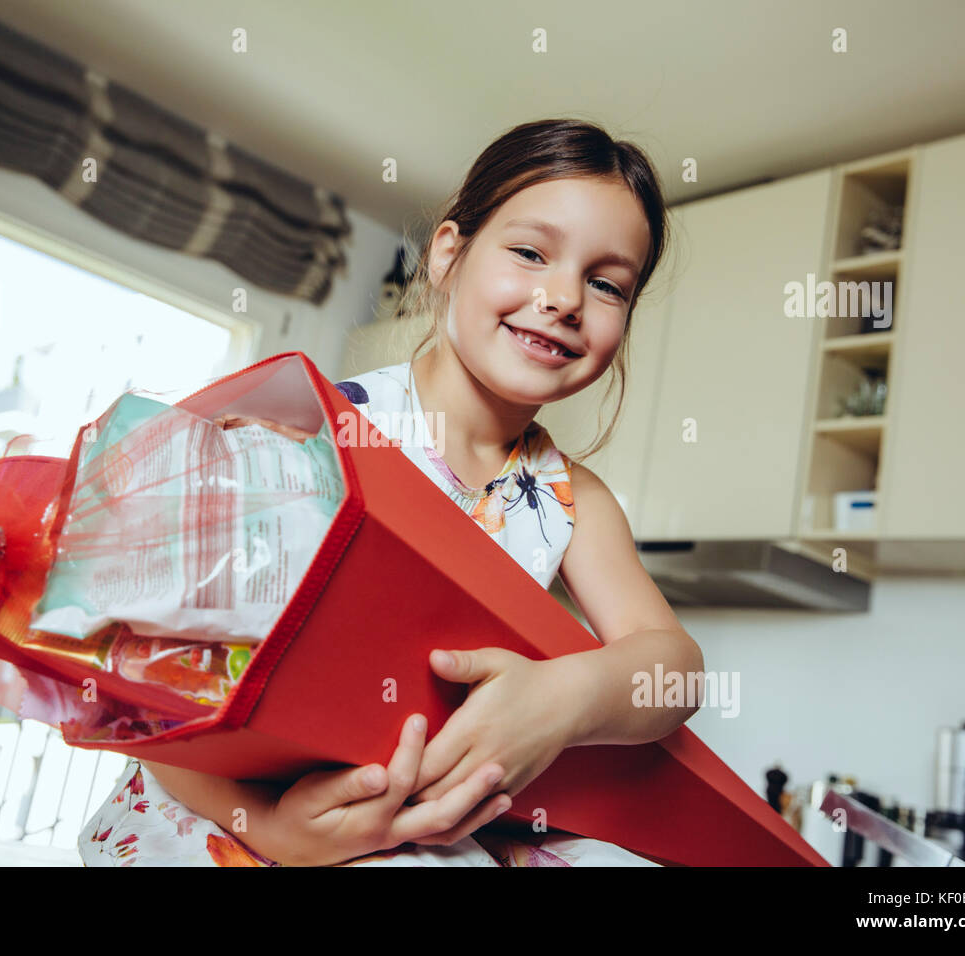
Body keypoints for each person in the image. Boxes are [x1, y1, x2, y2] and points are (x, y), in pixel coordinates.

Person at [79, 117, 705, 867]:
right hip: (224, 823)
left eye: (607, 284)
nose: (564, 297)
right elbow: (158, 685)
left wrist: (565, 700)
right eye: (531, 253)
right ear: (448, 255)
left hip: (409, 832)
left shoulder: (575, 500)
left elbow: (675, 669)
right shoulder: (308, 428)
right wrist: (274, 830)